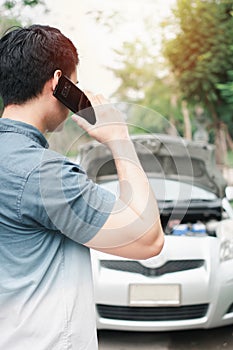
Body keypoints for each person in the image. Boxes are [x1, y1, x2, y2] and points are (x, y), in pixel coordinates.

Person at [0, 24, 164, 350]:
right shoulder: (43, 174)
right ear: (58, 83)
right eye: (74, 84)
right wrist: (118, 137)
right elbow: (148, 239)